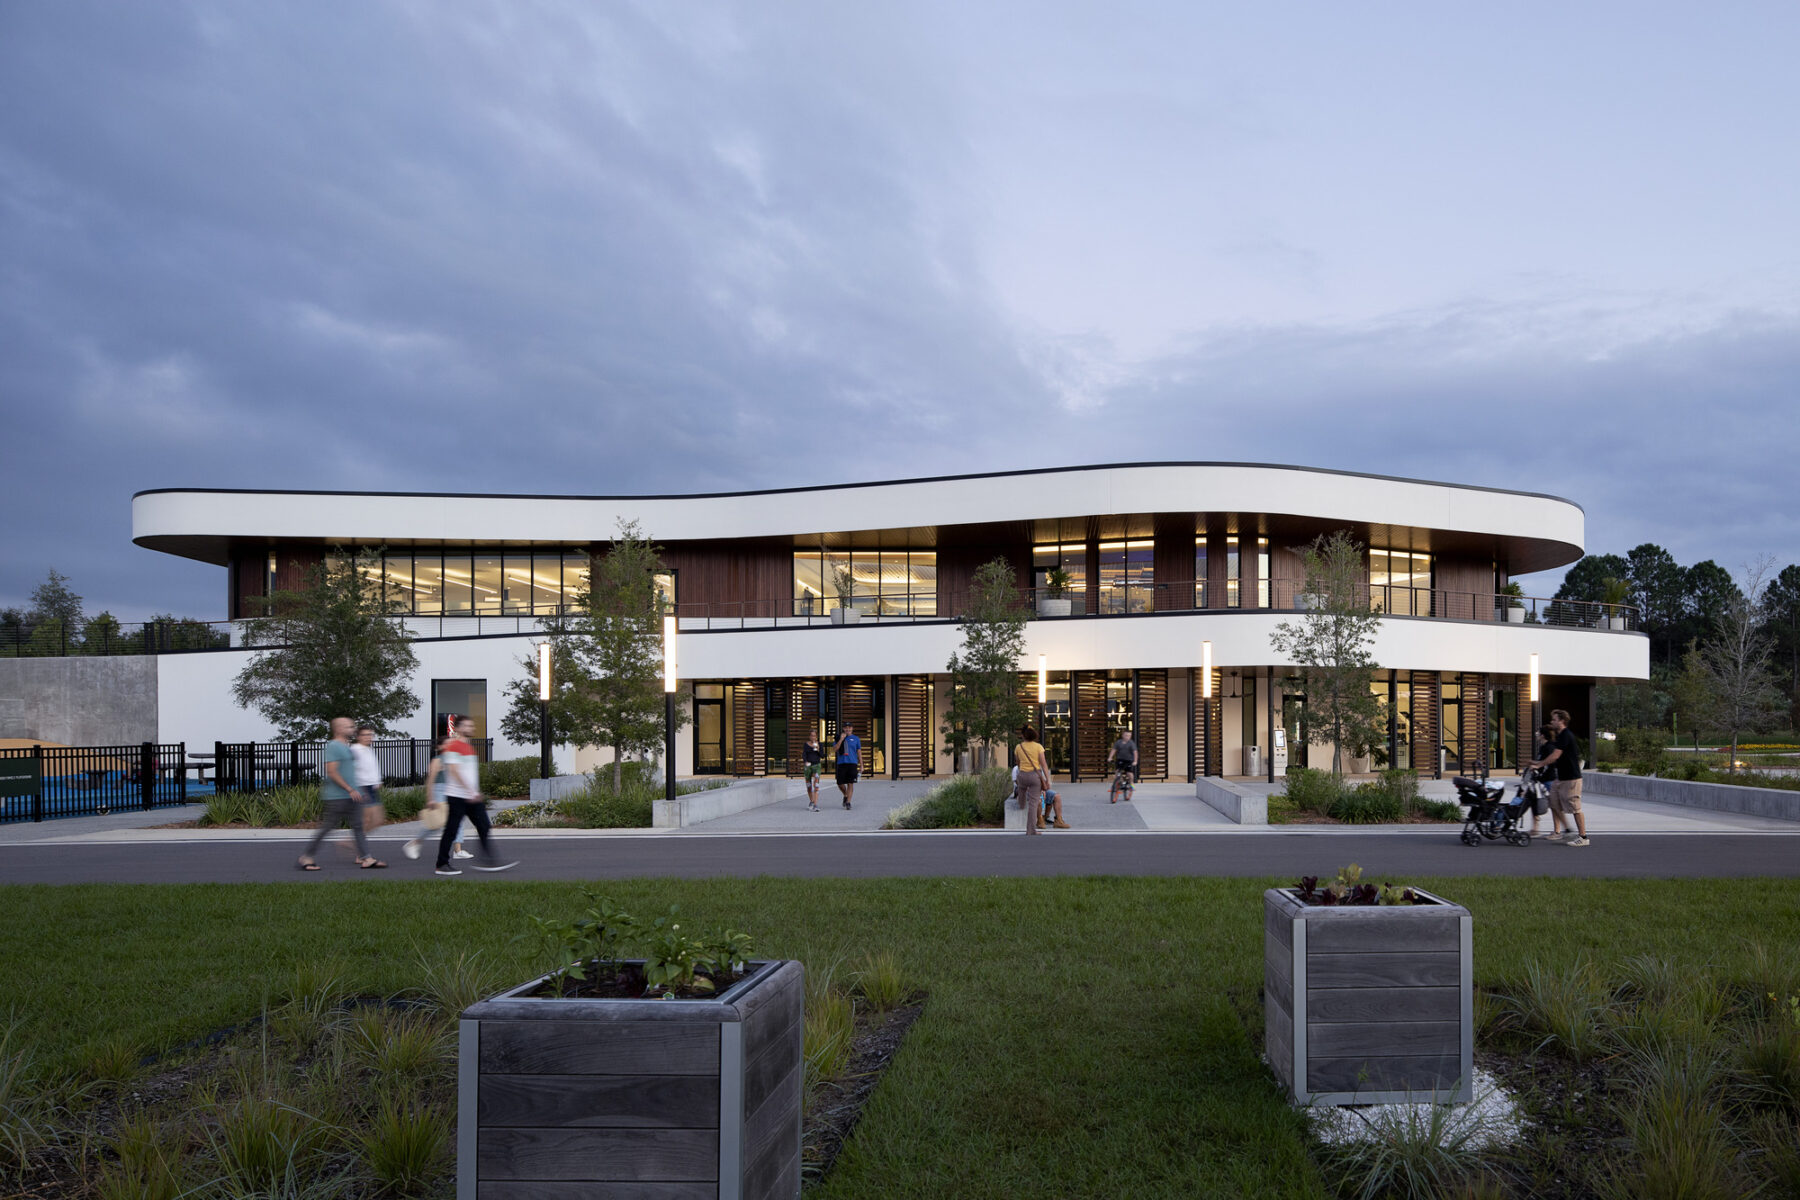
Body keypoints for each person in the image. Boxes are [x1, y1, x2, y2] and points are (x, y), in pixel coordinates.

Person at [298, 717, 384, 870]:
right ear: (338, 729)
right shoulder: (333, 746)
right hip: (337, 796)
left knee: (358, 826)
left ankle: (367, 858)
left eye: (352, 726)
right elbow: (331, 771)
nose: (352, 729)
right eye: (348, 727)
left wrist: (358, 789)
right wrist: (349, 789)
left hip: (353, 795)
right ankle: (306, 857)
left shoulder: (347, 746)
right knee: (327, 828)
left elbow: (351, 772)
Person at [434, 717, 516, 875]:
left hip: (471, 796)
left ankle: (489, 861)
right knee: (451, 830)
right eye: (467, 725)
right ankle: (441, 864)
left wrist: (473, 791)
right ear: (457, 729)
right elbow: (454, 771)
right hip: (458, 796)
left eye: (472, 725)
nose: (471, 727)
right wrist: (470, 791)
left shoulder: (468, 747)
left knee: (484, 826)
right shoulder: (453, 747)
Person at [1530, 708, 1588, 847]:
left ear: (1562, 721)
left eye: (1554, 719)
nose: (1552, 722)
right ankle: (1566, 830)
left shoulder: (1566, 735)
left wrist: (1539, 765)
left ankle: (1583, 836)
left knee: (1575, 807)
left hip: (1571, 777)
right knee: (1553, 802)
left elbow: (1555, 755)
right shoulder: (1560, 736)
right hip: (1560, 778)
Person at [402, 736, 467, 861]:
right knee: (436, 823)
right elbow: (430, 780)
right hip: (439, 791)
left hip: (451, 791)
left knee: (458, 818)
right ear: (439, 747)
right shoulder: (437, 760)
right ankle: (415, 843)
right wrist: (430, 798)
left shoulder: (453, 759)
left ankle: (458, 850)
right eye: (446, 744)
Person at [1015, 725, 1051, 834]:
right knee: (1033, 803)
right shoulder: (1038, 747)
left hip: (1022, 775)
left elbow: (1018, 763)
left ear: (1023, 736)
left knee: (1021, 789)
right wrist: (1047, 779)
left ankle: (1021, 804)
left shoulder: (1018, 747)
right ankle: (1030, 829)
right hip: (1035, 776)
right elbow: (1043, 764)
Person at [350, 724, 384, 837]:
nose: (368, 737)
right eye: (364, 735)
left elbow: (371, 767)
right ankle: (360, 852)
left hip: (372, 787)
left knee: (378, 820)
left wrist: (378, 780)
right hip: (362, 787)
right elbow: (348, 769)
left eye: (370, 735)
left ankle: (352, 841)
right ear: (358, 736)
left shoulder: (368, 749)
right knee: (367, 820)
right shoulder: (354, 750)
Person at [1526, 724, 1555, 837]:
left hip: (1548, 780)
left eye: (1538, 732)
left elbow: (1546, 763)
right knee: (1534, 802)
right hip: (1540, 780)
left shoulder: (1549, 747)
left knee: (1553, 806)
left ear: (1543, 735)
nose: (1536, 734)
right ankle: (1535, 828)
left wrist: (1534, 763)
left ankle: (1557, 830)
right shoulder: (1544, 747)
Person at [833, 723, 861, 809]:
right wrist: (841, 739)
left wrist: (861, 765)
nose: (847, 729)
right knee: (840, 783)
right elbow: (835, 749)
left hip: (852, 763)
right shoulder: (838, 738)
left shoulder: (856, 739)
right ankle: (845, 794)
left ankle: (848, 802)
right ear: (843, 729)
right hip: (841, 763)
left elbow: (859, 752)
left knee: (850, 783)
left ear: (852, 728)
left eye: (849, 727)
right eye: (846, 728)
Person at [1111, 730, 1138, 802]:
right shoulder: (1118, 742)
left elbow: (1135, 752)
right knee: (1117, 772)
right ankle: (1121, 782)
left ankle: (1131, 783)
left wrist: (1135, 761)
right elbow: (1114, 750)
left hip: (1129, 760)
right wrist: (1110, 757)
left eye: (1129, 736)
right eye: (1126, 735)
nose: (1127, 737)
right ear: (1123, 735)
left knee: (1129, 773)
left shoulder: (1131, 743)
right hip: (1120, 759)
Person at [802, 731, 824, 812]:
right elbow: (804, 754)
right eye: (811, 735)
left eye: (814, 736)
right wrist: (805, 761)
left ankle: (815, 804)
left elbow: (822, 756)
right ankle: (811, 801)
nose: (813, 737)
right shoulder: (806, 744)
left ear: (816, 737)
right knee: (808, 785)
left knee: (816, 784)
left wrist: (818, 749)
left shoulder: (819, 744)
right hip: (808, 766)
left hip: (816, 766)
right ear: (809, 736)